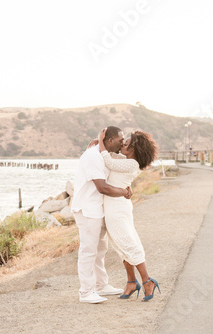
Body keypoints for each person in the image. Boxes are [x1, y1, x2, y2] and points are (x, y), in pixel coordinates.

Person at [97, 128, 160, 302]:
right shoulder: (126, 161)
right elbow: (110, 160)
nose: (123, 144)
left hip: (117, 209)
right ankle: (132, 282)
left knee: (128, 243)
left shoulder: (131, 163)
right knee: (121, 246)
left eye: (126, 143)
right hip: (115, 206)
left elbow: (108, 161)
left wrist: (100, 139)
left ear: (133, 149)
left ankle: (147, 281)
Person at [71, 126, 131, 304]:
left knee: (100, 250)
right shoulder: (93, 156)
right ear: (110, 140)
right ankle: (86, 292)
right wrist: (123, 192)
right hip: (88, 209)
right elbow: (102, 187)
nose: (122, 144)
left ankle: (100, 285)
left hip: (98, 208)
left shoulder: (101, 154)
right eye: (120, 141)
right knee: (88, 250)